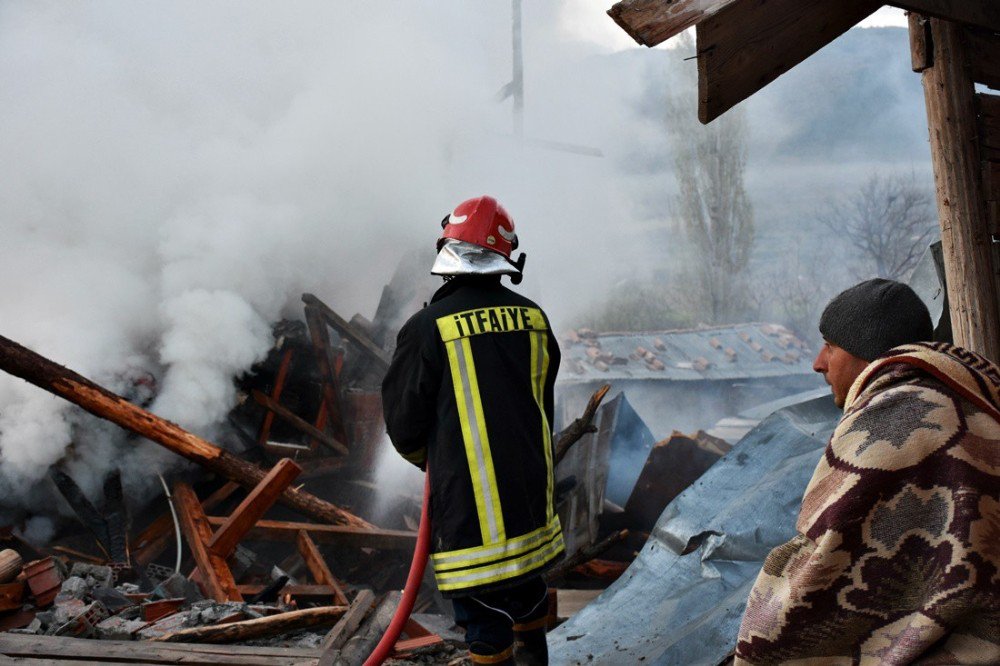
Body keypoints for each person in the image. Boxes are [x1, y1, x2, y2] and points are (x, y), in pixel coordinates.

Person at [736, 278, 1000, 664]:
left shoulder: (892, 420)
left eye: (830, 346)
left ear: (865, 351)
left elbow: (823, 565)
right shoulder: (964, 397)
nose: (818, 363)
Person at [382, 195, 563, 665]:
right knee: (528, 599)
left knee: (485, 621)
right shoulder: (535, 320)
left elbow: (403, 426)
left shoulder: (427, 328)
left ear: (449, 250)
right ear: (506, 255)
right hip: (532, 505)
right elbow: (541, 407)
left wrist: (438, 462)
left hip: (474, 515)